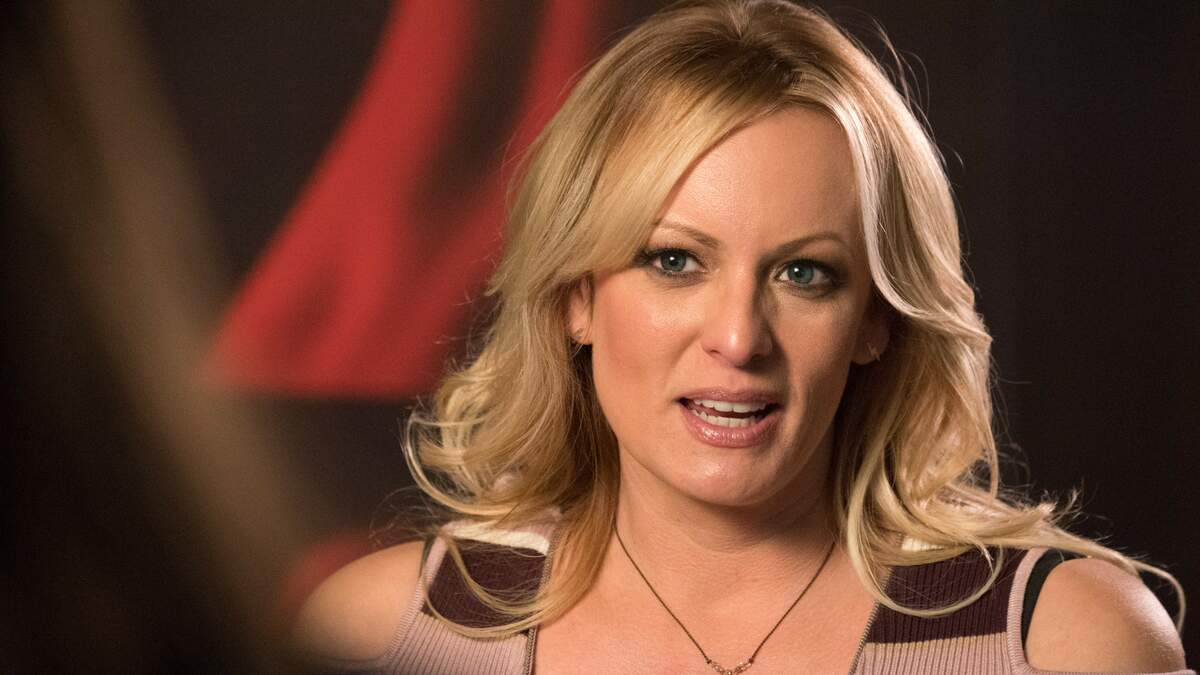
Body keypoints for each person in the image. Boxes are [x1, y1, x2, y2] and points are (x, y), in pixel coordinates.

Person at [292, 0, 1191, 673]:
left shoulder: (1067, 645)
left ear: (876, 319)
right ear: (576, 296)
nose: (737, 336)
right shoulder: (381, 639)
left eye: (805, 273)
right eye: (674, 260)